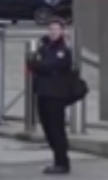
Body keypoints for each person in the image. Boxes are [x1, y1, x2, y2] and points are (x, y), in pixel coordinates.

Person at [28, 20, 74, 175]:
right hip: (43, 92)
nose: (53, 32)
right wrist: (39, 64)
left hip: (56, 94)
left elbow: (51, 65)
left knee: (56, 129)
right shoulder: (44, 47)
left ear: (62, 31)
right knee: (47, 127)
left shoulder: (63, 50)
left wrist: (39, 65)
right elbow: (32, 62)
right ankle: (57, 160)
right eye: (51, 29)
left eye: (56, 29)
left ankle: (62, 162)